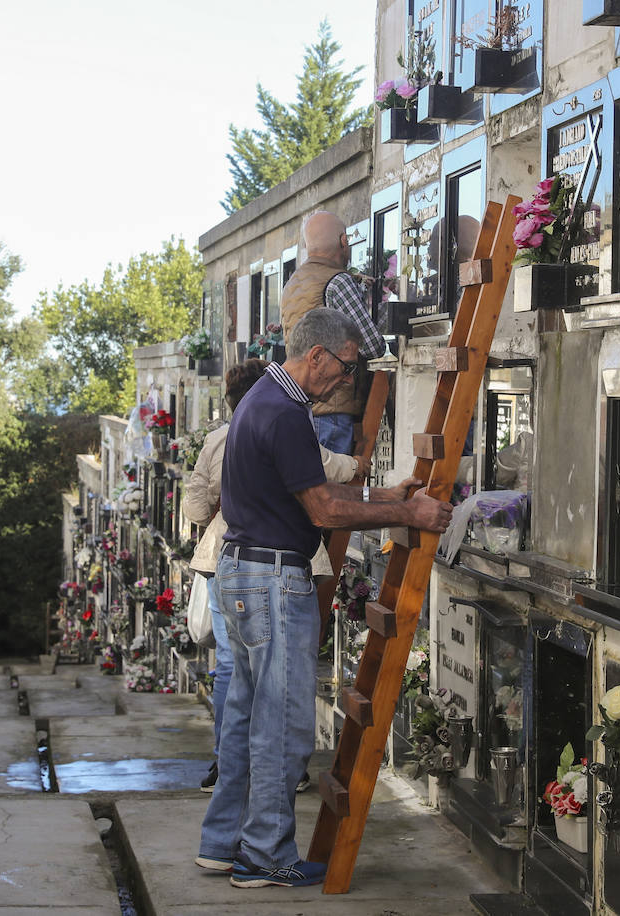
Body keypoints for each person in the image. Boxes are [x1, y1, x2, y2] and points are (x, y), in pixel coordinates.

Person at [195, 308, 452, 889]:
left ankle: (222, 843)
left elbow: (303, 484)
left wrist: (381, 492)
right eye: (345, 367)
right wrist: (407, 512)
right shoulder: (286, 413)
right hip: (273, 578)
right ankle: (263, 857)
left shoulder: (264, 397)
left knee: (242, 715)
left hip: (240, 572)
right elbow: (323, 511)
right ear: (317, 356)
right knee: (282, 724)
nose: (347, 381)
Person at [183, 359, 369, 793]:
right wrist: (360, 465)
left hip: (222, 561)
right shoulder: (286, 423)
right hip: (279, 562)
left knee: (233, 667)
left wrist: (219, 506)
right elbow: (329, 470)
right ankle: (281, 771)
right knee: (280, 681)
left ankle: (226, 766)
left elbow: (194, 509)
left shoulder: (216, 440)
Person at [280, 210, 387, 456]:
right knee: (334, 485)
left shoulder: (293, 283)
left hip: (302, 403)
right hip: (333, 408)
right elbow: (372, 346)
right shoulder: (338, 282)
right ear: (344, 241)